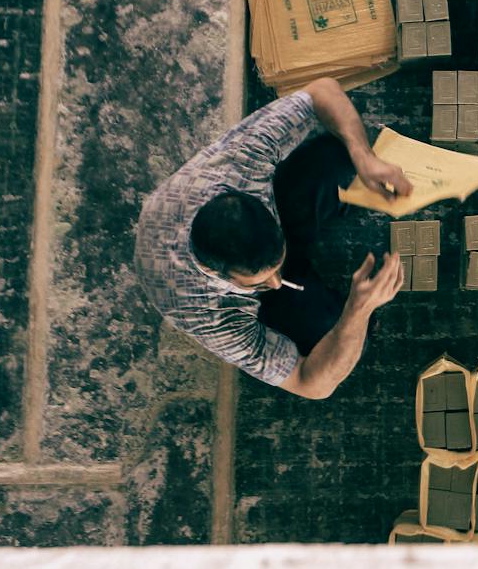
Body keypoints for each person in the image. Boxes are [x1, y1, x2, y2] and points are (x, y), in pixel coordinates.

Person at [135, 78, 408, 400]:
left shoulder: (241, 165)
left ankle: (294, 236)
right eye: (259, 283)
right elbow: (311, 385)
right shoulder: (210, 315)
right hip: (193, 285)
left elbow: (323, 91)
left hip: (231, 209)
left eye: (277, 265)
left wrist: (363, 156)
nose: (277, 283)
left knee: (341, 158)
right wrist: (357, 312)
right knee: (336, 337)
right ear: (218, 274)